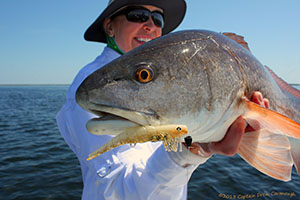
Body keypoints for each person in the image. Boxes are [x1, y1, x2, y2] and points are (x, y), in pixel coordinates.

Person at [56, 0, 269, 199]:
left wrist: (200, 141)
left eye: (158, 19)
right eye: (137, 15)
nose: (150, 25)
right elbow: (117, 190)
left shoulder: (160, 87)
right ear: (110, 27)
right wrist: (193, 150)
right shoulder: (100, 88)